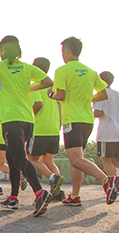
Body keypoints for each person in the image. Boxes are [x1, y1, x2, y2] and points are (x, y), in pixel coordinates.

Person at [0, 35, 55, 216]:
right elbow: (48, 82)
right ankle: (13, 198)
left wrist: (3, 91)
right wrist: (27, 88)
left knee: (20, 157)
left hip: (11, 119)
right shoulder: (27, 68)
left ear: (3, 51)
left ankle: (40, 192)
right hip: (28, 120)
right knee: (11, 156)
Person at [50, 37, 117, 205]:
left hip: (71, 119)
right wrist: (86, 99)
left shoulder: (62, 70)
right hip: (87, 120)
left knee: (75, 159)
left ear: (66, 51)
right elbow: (104, 94)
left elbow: (61, 95)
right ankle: (75, 196)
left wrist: (51, 95)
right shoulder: (91, 71)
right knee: (77, 159)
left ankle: (108, 181)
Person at [27, 57, 64, 197]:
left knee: (31, 160)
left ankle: (52, 177)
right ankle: (58, 192)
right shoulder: (53, 88)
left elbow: (38, 104)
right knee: (49, 160)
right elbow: (59, 106)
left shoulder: (36, 85)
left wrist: (26, 113)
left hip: (39, 130)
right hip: (54, 129)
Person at [94, 71, 119, 180]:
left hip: (107, 132)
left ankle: (114, 183)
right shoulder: (117, 94)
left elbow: (98, 113)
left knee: (106, 159)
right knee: (115, 160)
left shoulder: (100, 94)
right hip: (117, 131)